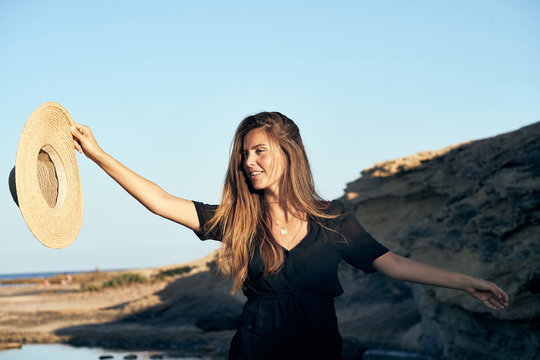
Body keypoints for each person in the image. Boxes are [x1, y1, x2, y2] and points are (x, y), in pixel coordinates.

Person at [70, 112, 508, 360]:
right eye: (244, 154)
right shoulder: (239, 219)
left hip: (318, 352)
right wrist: (98, 155)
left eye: (259, 150)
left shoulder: (333, 219)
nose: (249, 162)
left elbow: (392, 263)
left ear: (287, 152)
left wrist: (466, 281)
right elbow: (161, 202)